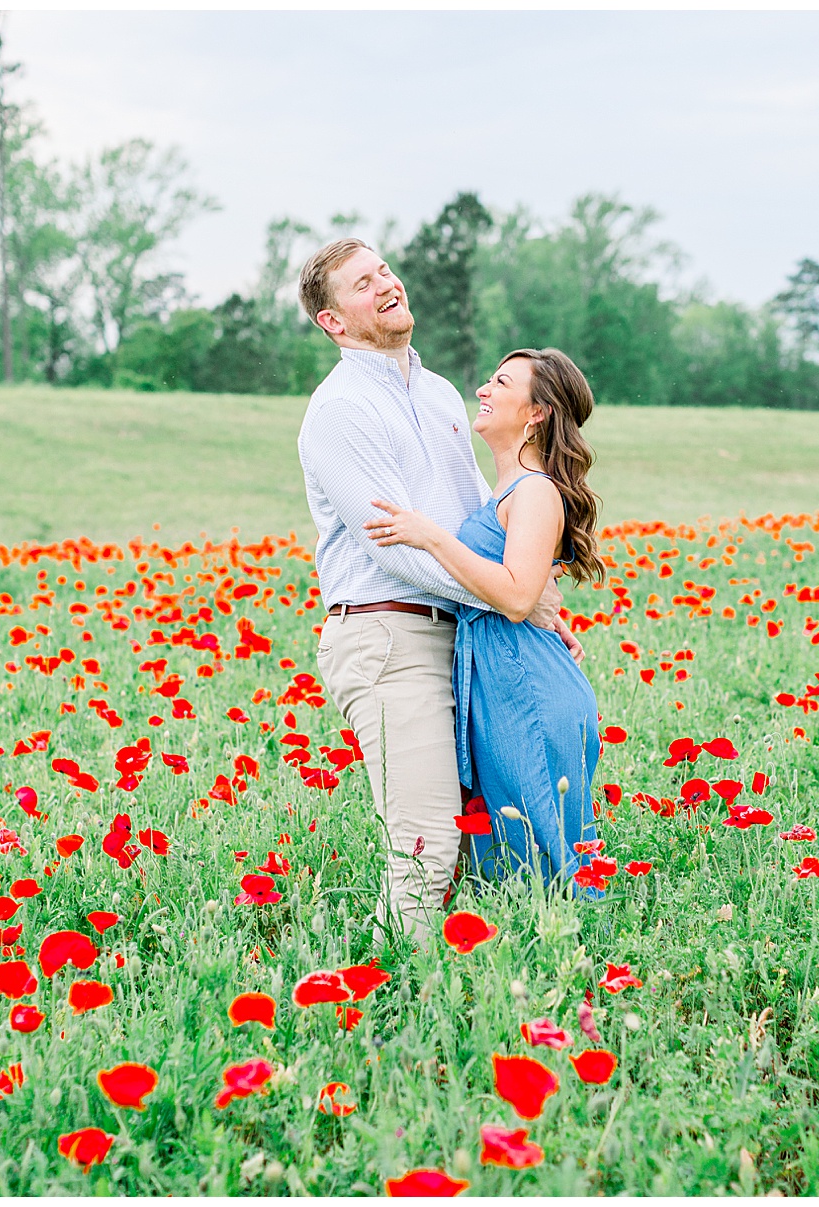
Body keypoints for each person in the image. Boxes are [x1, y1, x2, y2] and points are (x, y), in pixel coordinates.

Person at [294, 238, 584, 946]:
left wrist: (531, 591)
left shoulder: (440, 394)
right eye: (363, 284)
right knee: (426, 842)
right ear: (333, 321)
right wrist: (510, 598)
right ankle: (385, 996)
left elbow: (479, 512)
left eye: (384, 270)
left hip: (464, 637)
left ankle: (469, 984)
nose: (386, 284)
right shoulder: (340, 411)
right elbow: (394, 547)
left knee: (483, 836)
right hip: (388, 635)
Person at [366, 347, 606, 897]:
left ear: (537, 413)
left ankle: (580, 948)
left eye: (501, 382)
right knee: (510, 859)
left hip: (529, 689)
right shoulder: (506, 490)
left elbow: (518, 598)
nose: (483, 390)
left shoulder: (536, 490)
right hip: (502, 684)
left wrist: (431, 536)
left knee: (547, 857)